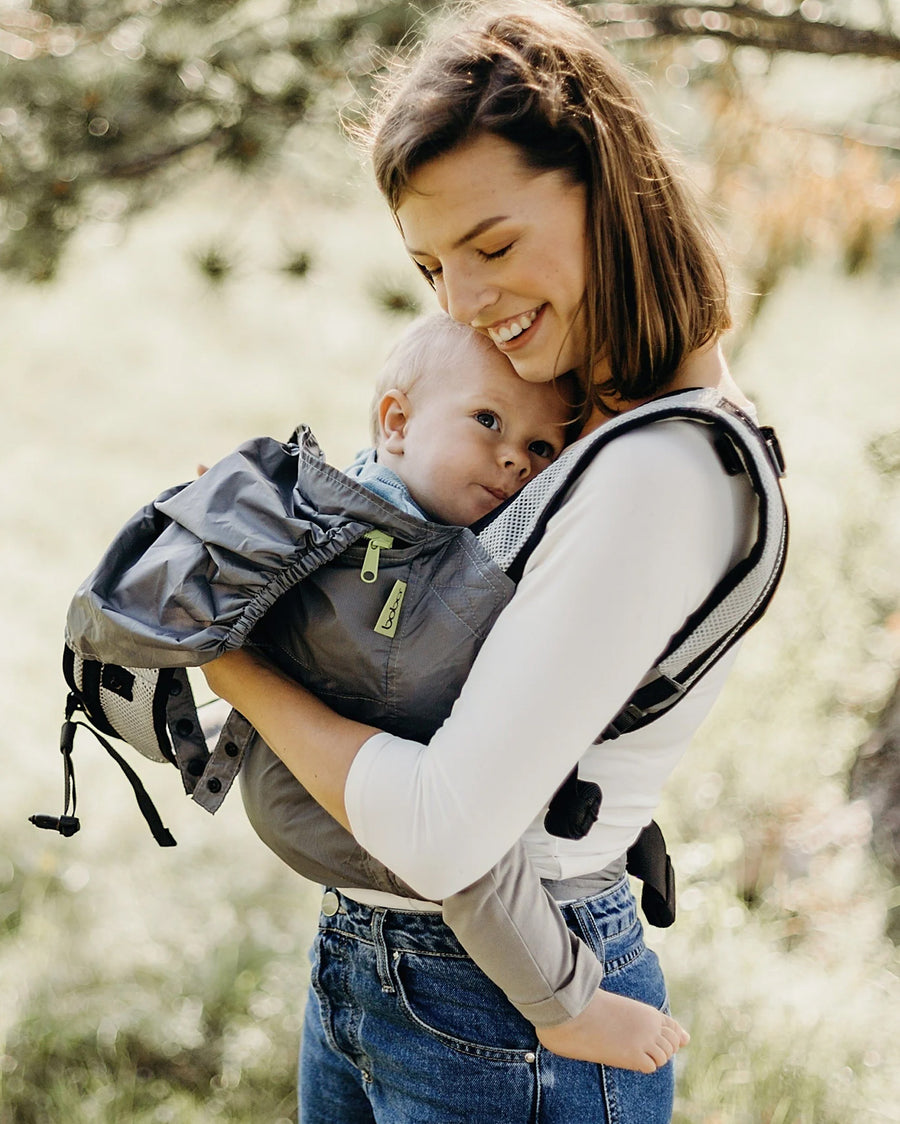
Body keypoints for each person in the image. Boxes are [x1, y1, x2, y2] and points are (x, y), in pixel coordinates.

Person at [195, 2, 782, 1120]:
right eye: (429, 267)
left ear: (609, 187)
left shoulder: (664, 468)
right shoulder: (582, 421)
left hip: (512, 1010)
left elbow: (445, 828)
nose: (464, 304)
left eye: (494, 246)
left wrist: (229, 660)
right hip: (384, 963)